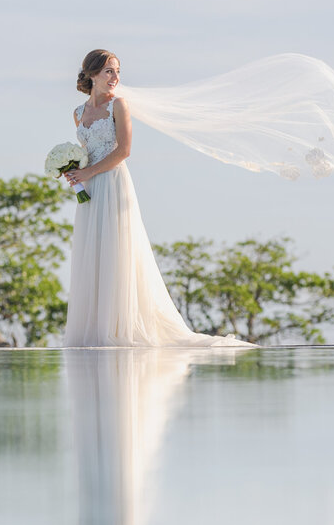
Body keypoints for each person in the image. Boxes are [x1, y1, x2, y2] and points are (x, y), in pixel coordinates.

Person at [62, 49, 253, 348]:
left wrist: (90, 172)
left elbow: (124, 150)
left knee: (116, 250)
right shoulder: (78, 113)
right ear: (92, 74)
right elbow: (85, 153)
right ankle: (94, 329)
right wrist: (74, 171)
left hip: (113, 184)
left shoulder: (119, 106)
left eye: (117, 71)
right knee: (92, 252)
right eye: (109, 71)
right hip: (90, 190)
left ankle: (119, 328)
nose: (116, 78)